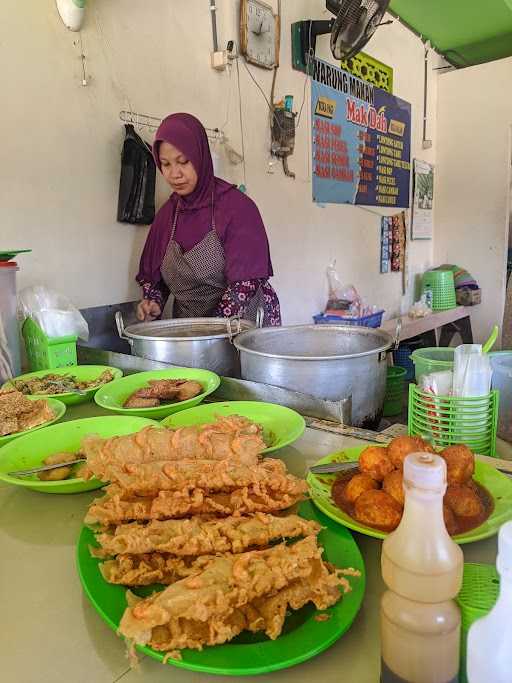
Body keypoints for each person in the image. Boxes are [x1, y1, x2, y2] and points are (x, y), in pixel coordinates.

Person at [136, 113, 281, 326]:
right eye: (165, 164)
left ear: (200, 157)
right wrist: (153, 303)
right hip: (192, 329)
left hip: (245, 325)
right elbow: (155, 278)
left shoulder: (237, 208)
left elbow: (245, 285)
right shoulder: (167, 215)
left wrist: (208, 330)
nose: (174, 174)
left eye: (183, 162)